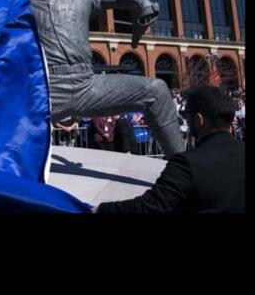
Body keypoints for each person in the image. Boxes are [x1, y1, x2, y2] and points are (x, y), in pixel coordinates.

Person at [30, 0, 183, 158]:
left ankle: (182, 166)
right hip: (49, 88)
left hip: (86, 84)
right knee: (2, 121)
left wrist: (139, 1)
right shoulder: (25, 7)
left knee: (156, 90)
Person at [93, 85, 245, 213]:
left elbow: (149, 207)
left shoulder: (187, 163)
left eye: (187, 116)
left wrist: (103, 209)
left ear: (198, 120)